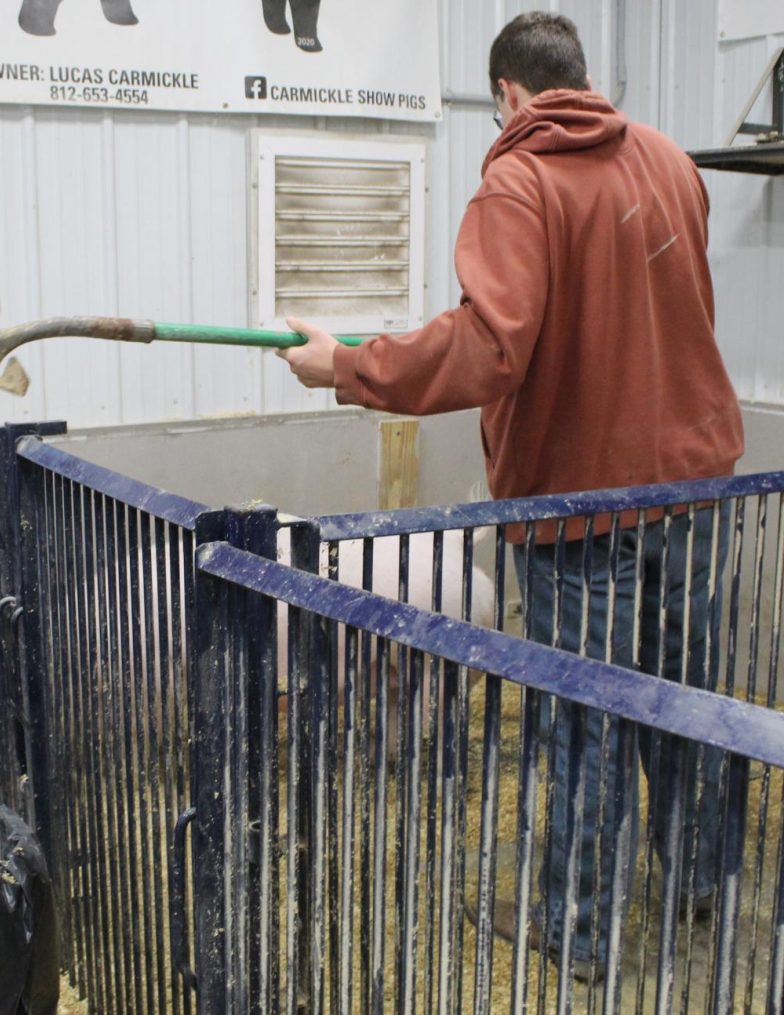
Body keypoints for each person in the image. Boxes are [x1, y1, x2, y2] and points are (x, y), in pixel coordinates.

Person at [279, 11, 744, 982]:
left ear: (508, 95)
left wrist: (346, 366)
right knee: (688, 699)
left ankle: (577, 926)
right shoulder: (672, 164)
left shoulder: (519, 181)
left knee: (587, 712)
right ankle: (705, 886)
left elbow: (491, 345)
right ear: (579, 80)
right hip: (699, 489)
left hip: (581, 507)